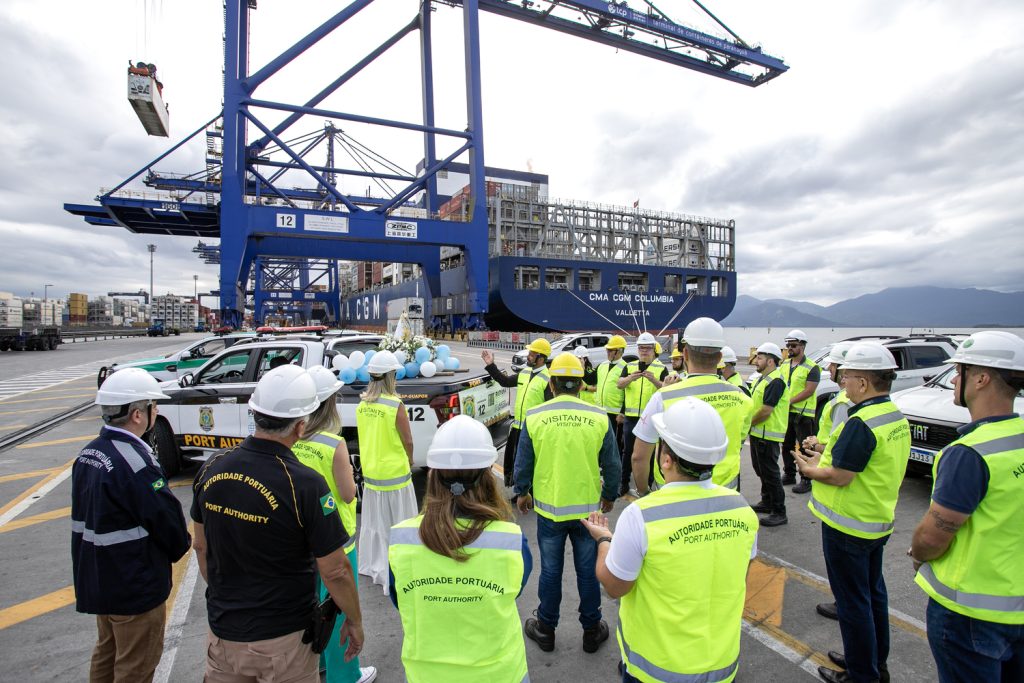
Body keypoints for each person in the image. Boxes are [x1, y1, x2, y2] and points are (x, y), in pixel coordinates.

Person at [191, 365, 364, 682]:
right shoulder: (305, 484)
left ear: (254, 412)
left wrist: (227, 598)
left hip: (222, 633)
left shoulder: (212, 467)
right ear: (300, 426)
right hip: (284, 640)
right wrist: (354, 619)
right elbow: (336, 570)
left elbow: (200, 546)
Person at [583, 398, 759, 683]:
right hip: (722, 666)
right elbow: (737, 574)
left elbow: (615, 586)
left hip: (656, 669)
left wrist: (605, 540)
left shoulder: (642, 514)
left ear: (666, 458)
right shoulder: (742, 508)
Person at [908, 331, 1024, 683]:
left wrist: (917, 553)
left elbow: (933, 536)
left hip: (970, 613)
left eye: (959, 372)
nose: (955, 380)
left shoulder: (969, 452)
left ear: (981, 378)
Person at [793, 342, 910, 683]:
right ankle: (874, 662)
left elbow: (841, 475)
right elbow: (859, 465)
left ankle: (861, 674)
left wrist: (810, 468)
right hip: (875, 520)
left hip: (848, 526)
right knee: (873, 596)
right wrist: (823, 461)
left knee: (853, 603)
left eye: (846, 377)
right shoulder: (893, 415)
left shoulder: (861, 422)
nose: (842, 383)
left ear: (863, 382)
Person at [388, 415, 533, 681]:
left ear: (433, 474)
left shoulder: (401, 539)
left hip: (427, 675)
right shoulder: (512, 540)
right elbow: (512, 592)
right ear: (489, 475)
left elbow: (401, 601)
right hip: (498, 674)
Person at [72, 368, 191, 683]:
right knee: (136, 667)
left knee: (107, 654)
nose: (157, 412)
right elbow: (169, 524)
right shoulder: (136, 463)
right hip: (134, 586)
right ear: (138, 414)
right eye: (153, 406)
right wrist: (181, 545)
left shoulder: (89, 453)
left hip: (101, 578)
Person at [514, 352, 621, 654]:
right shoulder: (599, 416)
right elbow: (612, 464)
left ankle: (546, 628)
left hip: (550, 510)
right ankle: (591, 630)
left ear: (552, 384)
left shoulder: (535, 417)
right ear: (579, 384)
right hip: (588, 512)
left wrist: (523, 492)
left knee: (550, 571)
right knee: (588, 572)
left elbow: (524, 462)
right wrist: (609, 495)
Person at [293, 366, 377, 683]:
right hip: (337, 542)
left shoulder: (292, 441)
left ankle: (320, 666)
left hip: (301, 543)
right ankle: (346, 674)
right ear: (329, 403)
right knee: (339, 607)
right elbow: (347, 492)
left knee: (311, 607)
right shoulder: (333, 444)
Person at [631, 317, 752, 494]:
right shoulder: (743, 398)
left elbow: (639, 457)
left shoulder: (664, 397)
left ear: (685, 354)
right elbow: (737, 444)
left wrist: (643, 492)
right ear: (719, 357)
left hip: (673, 494)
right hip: (724, 493)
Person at [800, 340, 854, 623]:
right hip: (869, 512)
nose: (829, 369)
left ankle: (843, 604)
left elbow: (840, 451)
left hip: (846, 509)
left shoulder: (845, 405)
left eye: (832, 364)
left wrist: (816, 452)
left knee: (848, 578)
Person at [356, 350, 416, 591]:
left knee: (375, 524)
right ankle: (401, 566)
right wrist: (409, 460)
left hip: (372, 474)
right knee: (401, 523)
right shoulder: (395, 405)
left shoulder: (363, 404)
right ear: (391, 376)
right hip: (395, 475)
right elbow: (408, 441)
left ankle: (374, 563)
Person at [482, 338, 552, 487]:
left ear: (541, 358)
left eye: (532, 354)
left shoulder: (548, 380)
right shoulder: (525, 372)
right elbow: (505, 381)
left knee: (531, 463)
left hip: (534, 431)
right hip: (518, 427)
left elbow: (549, 409)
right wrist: (491, 365)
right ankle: (520, 490)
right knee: (515, 460)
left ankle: (531, 493)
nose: (529, 356)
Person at [616, 332, 668, 495]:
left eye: (647, 348)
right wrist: (630, 378)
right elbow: (619, 384)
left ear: (653, 349)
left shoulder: (661, 368)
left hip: (650, 419)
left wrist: (653, 380)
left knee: (650, 454)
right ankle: (623, 484)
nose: (643, 351)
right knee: (628, 452)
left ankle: (648, 485)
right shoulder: (630, 366)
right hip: (631, 418)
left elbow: (666, 389)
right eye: (641, 348)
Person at [748, 342, 791, 527]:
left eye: (760, 357)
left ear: (771, 361)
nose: (755, 360)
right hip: (760, 433)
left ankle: (779, 511)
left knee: (771, 473)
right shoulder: (764, 379)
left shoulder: (775, 381)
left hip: (768, 435)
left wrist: (746, 425)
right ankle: (767, 502)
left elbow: (766, 411)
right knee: (761, 470)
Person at [781, 330, 821, 494]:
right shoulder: (784, 364)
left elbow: (809, 390)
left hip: (803, 415)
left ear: (803, 346)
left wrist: (789, 401)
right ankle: (789, 474)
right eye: (788, 345)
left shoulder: (812, 367)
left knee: (805, 448)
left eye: (793, 345)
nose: (790, 348)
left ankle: (806, 479)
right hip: (786, 413)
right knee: (786, 445)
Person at [595, 335, 628, 457]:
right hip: (600, 411)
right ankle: (602, 464)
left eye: (610, 350)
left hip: (615, 413)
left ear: (619, 351)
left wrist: (622, 412)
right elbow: (592, 379)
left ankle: (615, 466)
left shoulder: (626, 367)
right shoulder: (602, 365)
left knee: (614, 443)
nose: (607, 352)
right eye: (607, 350)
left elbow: (628, 393)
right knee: (601, 440)